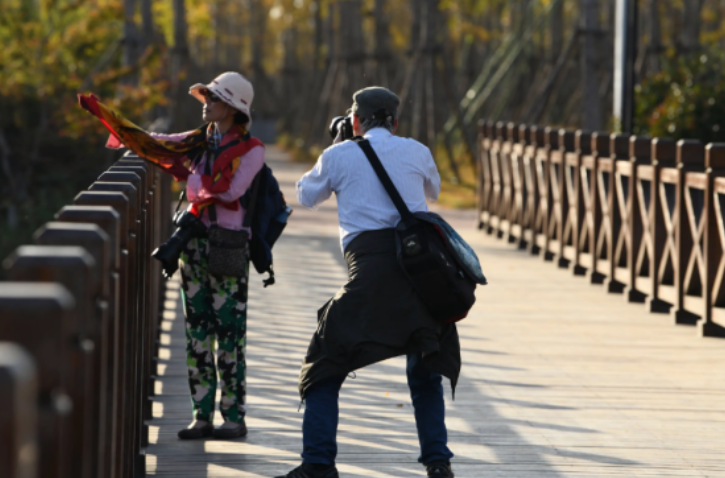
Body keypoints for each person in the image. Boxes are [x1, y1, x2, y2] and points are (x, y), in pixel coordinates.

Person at [278, 87, 460, 478]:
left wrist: (342, 147)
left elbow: (306, 196)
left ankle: (318, 464)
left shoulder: (339, 154)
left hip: (369, 279)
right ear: (395, 121)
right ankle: (438, 462)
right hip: (421, 279)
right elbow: (433, 191)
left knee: (323, 366)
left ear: (355, 120)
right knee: (425, 366)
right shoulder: (417, 150)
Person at [79, 72, 264, 440]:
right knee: (197, 333)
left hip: (227, 245)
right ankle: (201, 416)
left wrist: (194, 185)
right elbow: (156, 143)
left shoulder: (251, 149)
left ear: (230, 107)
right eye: (206, 96)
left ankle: (233, 417)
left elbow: (229, 191)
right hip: (192, 243)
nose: (205, 103)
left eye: (212, 98)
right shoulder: (196, 143)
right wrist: (108, 117)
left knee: (229, 334)